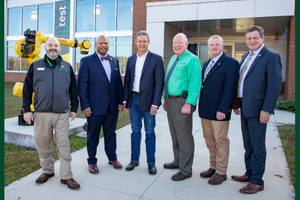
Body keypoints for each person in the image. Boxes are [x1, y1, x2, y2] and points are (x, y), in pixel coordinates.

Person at [22, 37, 80, 190]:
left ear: (60, 48)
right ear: (45, 48)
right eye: (50, 45)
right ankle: (47, 171)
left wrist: (74, 108)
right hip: (41, 113)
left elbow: (73, 89)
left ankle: (66, 175)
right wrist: (27, 110)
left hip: (62, 113)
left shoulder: (67, 67)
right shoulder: (35, 66)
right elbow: (27, 89)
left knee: (63, 145)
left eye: (56, 45)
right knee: (44, 144)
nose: (53, 48)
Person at [232, 26, 282, 194]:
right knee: (248, 144)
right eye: (249, 38)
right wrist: (237, 104)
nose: (251, 41)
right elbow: (241, 82)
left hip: (258, 110)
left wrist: (267, 109)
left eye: (255, 38)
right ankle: (249, 173)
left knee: (258, 146)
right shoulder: (246, 56)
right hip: (245, 107)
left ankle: (257, 181)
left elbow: (274, 86)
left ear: (262, 38)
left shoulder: (271, 57)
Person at [77, 35, 123, 174]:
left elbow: (118, 84)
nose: (104, 45)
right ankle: (92, 161)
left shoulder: (114, 61)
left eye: (106, 43)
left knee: (110, 134)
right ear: (95, 44)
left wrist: (120, 101)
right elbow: (82, 86)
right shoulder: (86, 61)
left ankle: (112, 158)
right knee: (93, 135)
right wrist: (85, 105)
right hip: (94, 107)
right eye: (101, 43)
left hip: (112, 106)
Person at [198, 35, 239, 185]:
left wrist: (224, 109)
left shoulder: (231, 63)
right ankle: (213, 166)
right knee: (209, 140)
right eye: (211, 45)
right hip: (206, 109)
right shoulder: (207, 63)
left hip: (219, 111)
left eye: (217, 44)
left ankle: (221, 172)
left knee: (220, 141)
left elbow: (230, 88)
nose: (214, 47)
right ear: (208, 47)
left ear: (222, 46)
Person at [123, 30, 164, 175]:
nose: (142, 43)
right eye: (139, 41)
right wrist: (125, 102)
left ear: (148, 42)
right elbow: (127, 82)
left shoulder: (156, 59)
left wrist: (155, 104)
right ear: (135, 43)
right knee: (135, 131)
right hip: (133, 100)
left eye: (144, 41)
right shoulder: (131, 59)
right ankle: (134, 160)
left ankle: (151, 163)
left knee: (150, 132)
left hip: (149, 102)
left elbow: (159, 83)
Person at [163, 33, 202, 181]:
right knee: (175, 134)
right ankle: (178, 161)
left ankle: (186, 170)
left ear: (186, 44)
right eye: (174, 43)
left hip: (182, 102)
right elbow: (168, 80)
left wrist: (189, 103)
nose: (177, 45)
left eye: (180, 43)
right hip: (171, 101)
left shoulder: (192, 60)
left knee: (184, 137)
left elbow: (195, 83)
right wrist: (165, 98)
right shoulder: (174, 58)